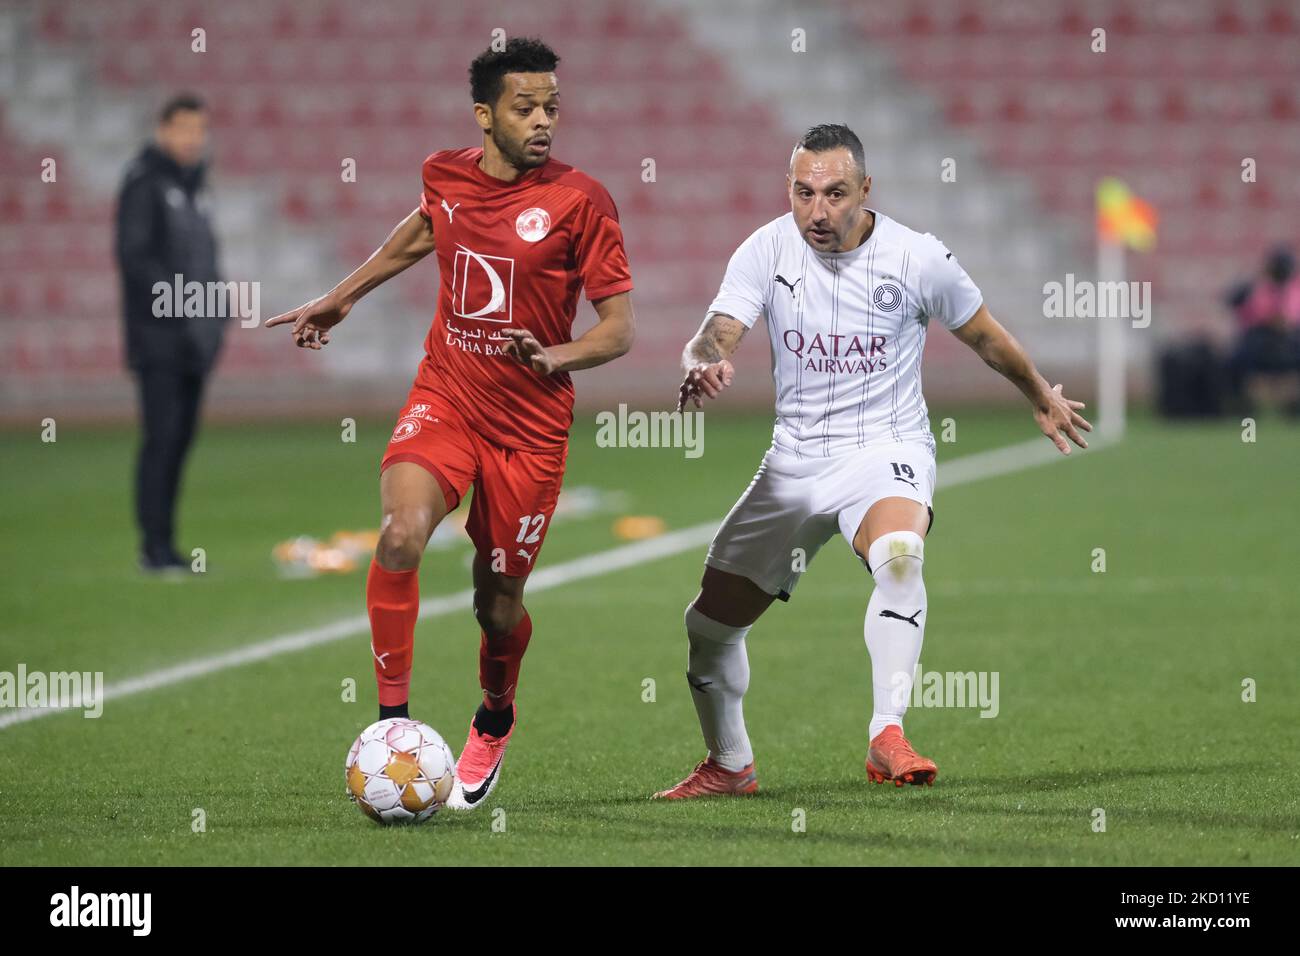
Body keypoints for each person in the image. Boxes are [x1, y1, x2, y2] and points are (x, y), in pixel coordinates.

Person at [655, 124, 1089, 799]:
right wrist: (703, 361)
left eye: (834, 194)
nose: (817, 212)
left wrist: (1039, 395)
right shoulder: (765, 250)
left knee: (898, 554)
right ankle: (730, 764)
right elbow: (717, 331)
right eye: (803, 193)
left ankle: (887, 733)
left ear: (866, 189)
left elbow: (984, 334)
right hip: (793, 463)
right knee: (708, 628)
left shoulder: (918, 257)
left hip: (886, 448)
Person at [266, 38, 635, 810]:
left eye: (553, 108)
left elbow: (620, 330)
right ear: (485, 115)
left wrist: (557, 355)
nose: (543, 122)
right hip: (447, 395)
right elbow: (427, 225)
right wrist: (346, 293)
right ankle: (392, 731)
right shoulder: (446, 172)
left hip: (530, 427)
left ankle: (494, 715)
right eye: (525, 107)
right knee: (400, 536)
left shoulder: (582, 201)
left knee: (495, 604)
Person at [115, 93, 226, 573]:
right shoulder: (145, 185)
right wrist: (185, 308)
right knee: (162, 439)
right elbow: (136, 261)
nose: (193, 139)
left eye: (199, 130)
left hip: (193, 339)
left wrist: (216, 316)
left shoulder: (194, 186)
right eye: (184, 129)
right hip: (160, 339)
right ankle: (153, 548)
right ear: (162, 130)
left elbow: (205, 263)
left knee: (179, 440)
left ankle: (165, 544)